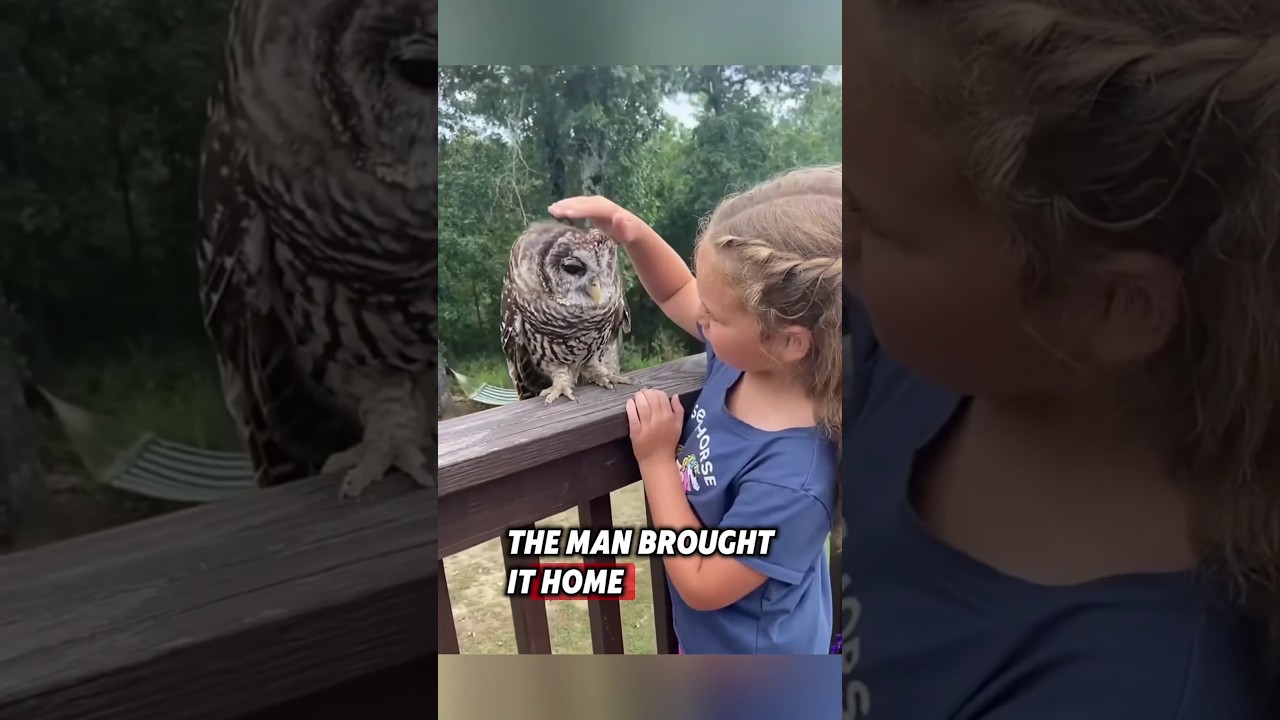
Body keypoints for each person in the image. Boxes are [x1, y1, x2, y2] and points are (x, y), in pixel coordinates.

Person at [841, 0, 1276, 717]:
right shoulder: (934, 358)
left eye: (868, 213)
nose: (835, 229)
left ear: (1114, 307)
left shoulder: (1124, 693)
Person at [549, 166, 842, 654]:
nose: (699, 317)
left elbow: (703, 582)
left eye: (715, 313)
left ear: (790, 341)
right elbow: (676, 292)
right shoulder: (744, 362)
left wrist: (657, 462)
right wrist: (631, 231)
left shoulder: (792, 479)